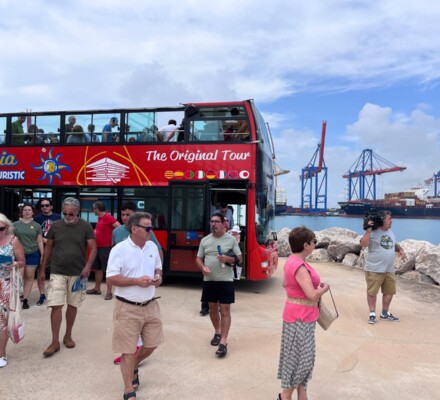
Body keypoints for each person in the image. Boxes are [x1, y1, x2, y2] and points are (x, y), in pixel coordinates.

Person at [106, 212, 163, 400]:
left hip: (151, 305)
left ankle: (134, 366)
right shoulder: (120, 250)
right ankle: (128, 389)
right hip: (127, 307)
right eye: (147, 228)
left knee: (152, 344)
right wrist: (136, 281)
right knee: (128, 350)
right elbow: (111, 278)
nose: (151, 231)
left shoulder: (152, 246)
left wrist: (158, 277)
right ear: (134, 228)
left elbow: (158, 267)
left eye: (151, 227)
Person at [38, 197, 97, 357]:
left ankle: (68, 335)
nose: (67, 216)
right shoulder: (56, 226)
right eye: (65, 213)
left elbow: (93, 248)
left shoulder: (85, 226)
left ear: (77, 212)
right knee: (56, 305)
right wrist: (42, 269)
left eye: (71, 213)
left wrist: (88, 266)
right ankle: (54, 341)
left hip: (78, 273)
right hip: (57, 271)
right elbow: (48, 248)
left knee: (73, 305)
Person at [277, 226, 330, 400]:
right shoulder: (299, 266)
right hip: (300, 317)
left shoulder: (292, 260)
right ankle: (284, 396)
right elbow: (312, 295)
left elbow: (286, 284)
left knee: (299, 359)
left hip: (299, 316)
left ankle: (301, 395)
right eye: (314, 241)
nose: (315, 244)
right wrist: (324, 289)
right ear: (305, 245)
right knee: (303, 361)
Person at [112, 201, 164, 365]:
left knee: (151, 338)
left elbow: (157, 254)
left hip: (148, 298)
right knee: (128, 338)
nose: (125, 218)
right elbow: (113, 269)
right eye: (123, 214)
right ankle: (130, 360)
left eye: (128, 214)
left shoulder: (149, 238)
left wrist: (158, 274)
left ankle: (133, 359)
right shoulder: (117, 234)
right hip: (126, 297)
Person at [196, 212, 242, 358]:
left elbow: (239, 259)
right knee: (212, 308)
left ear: (223, 224)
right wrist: (202, 268)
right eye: (212, 221)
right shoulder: (205, 240)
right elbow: (198, 258)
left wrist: (228, 259)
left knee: (225, 309)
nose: (213, 224)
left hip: (226, 280)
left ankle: (223, 341)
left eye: (216, 221)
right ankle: (217, 331)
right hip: (209, 280)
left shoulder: (231, 240)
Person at [360, 211, 406, 325]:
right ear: (383, 220)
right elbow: (363, 244)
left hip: (389, 269)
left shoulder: (390, 232)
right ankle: (372, 313)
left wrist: (400, 249)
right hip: (374, 269)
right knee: (372, 292)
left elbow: (393, 243)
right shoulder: (373, 231)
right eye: (389, 219)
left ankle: (384, 313)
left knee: (389, 292)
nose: (392, 221)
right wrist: (368, 231)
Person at [0, 213, 26, 368]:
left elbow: (22, 261)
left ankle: (1, 354)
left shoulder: (13, 241)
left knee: (2, 322)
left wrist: (15, 264)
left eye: (1, 228)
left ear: (7, 227)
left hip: (6, 286)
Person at [12, 204, 44, 309]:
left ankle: (25, 300)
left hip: (33, 253)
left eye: (29, 210)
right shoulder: (15, 225)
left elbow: (39, 241)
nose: (27, 212)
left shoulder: (37, 226)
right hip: (19, 255)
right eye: (25, 210)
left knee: (29, 277)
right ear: (22, 212)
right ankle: (16, 298)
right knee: (18, 277)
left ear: (33, 212)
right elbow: (10, 239)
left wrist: (42, 255)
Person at [86, 201, 120, 300]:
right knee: (98, 268)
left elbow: (118, 227)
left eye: (93, 208)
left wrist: (113, 240)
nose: (93, 210)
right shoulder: (100, 218)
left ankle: (109, 292)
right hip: (97, 247)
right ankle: (97, 289)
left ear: (97, 209)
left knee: (108, 269)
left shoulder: (108, 217)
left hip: (106, 247)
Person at [34, 199, 61, 306]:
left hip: (55, 247)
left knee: (56, 271)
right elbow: (35, 233)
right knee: (41, 270)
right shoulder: (37, 218)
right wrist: (45, 240)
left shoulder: (58, 217)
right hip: (41, 247)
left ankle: (55, 293)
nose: (44, 207)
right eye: (42, 206)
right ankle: (42, 295)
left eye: (47, 205)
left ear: (51, 206)